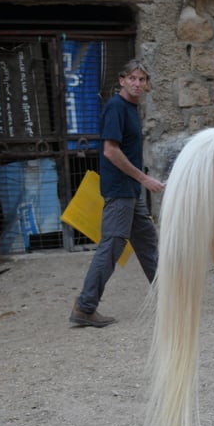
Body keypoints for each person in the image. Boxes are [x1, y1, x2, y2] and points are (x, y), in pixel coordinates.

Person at [69, 59, 165, 327]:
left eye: (142, 79)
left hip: (130, 191)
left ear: (146, 85)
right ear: (122, 80)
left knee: (147, 243)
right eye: (132, 78)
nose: (137, 83)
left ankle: (169, 298)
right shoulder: (116, 107)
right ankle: (85, 307)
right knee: (111, 246)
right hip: (121, 191)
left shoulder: (131, 108)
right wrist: (145, 178)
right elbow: (111, 151)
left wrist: (139, 183)